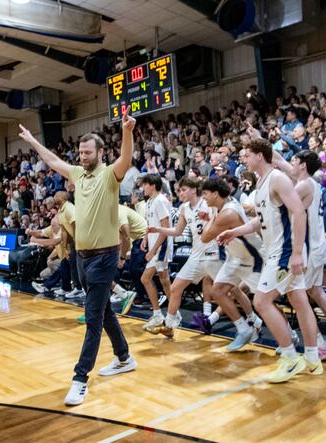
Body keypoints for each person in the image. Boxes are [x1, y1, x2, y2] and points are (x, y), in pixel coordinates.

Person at [18, 107, 137, 407]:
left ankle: (80, 378)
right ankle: (124, 357)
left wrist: (127, 131)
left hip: (104, 257)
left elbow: (126, 158)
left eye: (87, 152)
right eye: (80, 153)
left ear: (99, 153)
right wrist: (33, 141)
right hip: (82, 257)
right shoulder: (76, 175)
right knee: (104, 312)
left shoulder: (111, 175)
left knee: (93, 319)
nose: (82, 156)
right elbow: (52, 160)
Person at [218, 138, 323, 383]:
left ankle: (290, 358)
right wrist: (235, 231)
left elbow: (298, 212)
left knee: (262, 301)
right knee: (299, 300)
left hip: (285, 251)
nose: (244, 158)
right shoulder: (262, 181)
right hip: (277, 248)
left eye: (247, 154)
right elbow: (261, 221)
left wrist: (297, 253)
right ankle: (312, 357)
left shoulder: (277, 178)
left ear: (260, 156)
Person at [272, 150, 326, 359]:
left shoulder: (305, 185)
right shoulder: (312, 183)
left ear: (302, 166)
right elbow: (279, 161)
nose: (290, 163)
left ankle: (317, 342)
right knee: (315, 291)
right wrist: (262, 143)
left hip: (310, 247)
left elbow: (278, 204)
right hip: (317, 245)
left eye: (295, 161)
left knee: (297, 295)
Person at [149, 176, 230, 339]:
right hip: (195, 255)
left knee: (230, 290)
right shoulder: (184, 208)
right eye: (179, 190)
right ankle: (170, 325)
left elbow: (221, 224)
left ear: (194, 190)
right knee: (175, 287)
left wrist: (209, 220)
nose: (181, 193)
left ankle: (252, 321)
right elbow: (177, 232)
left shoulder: (208, 205)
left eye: (183, 189)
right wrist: (158, 229)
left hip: (212, 254)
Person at [199, 178, 264, 350]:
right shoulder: (225, 205)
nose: (203, 197)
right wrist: (212, 218)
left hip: (252, 258)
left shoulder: (227, 212)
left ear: (215, 194)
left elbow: (204, 237)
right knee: (218, 291)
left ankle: (290, 336)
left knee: (265, 302)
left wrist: (211, 219)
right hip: (235, 256)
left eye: (205, 193)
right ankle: (244, 329)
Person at [139, 174, 173, 333]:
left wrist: (153, 251)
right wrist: (145, 238)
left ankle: (161, 314)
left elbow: (165, 228)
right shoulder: (150, 201)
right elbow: (150, 224)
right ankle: (170, 314)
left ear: (153, 185)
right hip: (154, 245)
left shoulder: (160, 201)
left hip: (162, 246)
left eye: (145, 184)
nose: (143, 187)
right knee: (164, 281)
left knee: (146, 278)